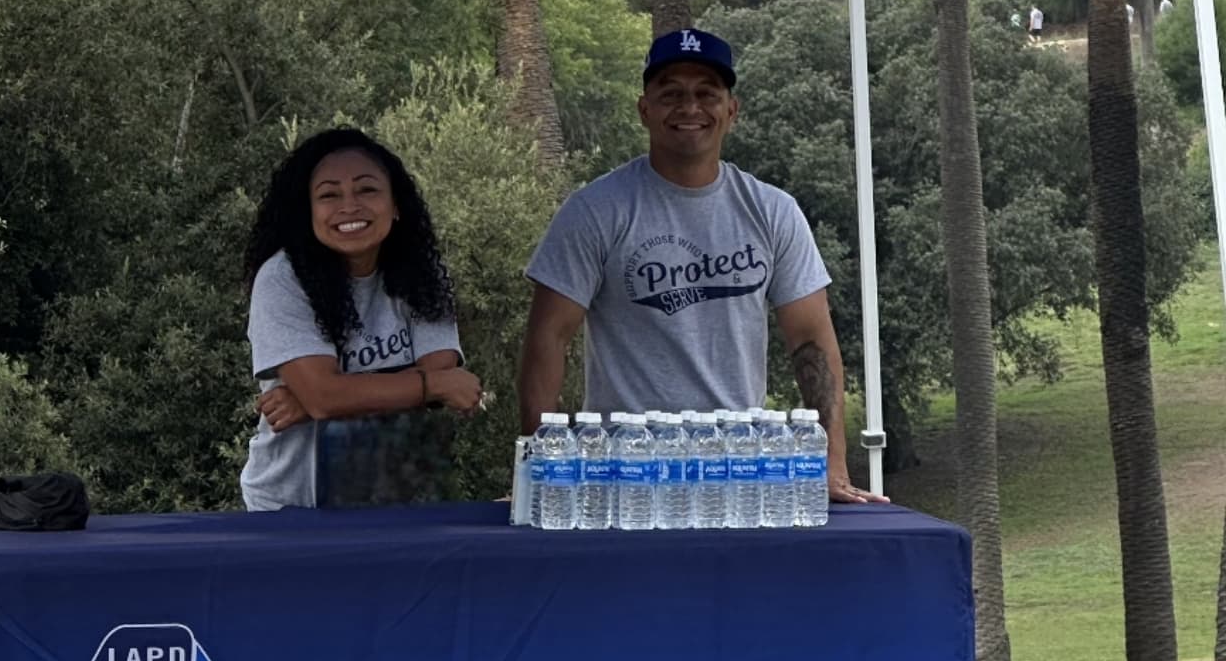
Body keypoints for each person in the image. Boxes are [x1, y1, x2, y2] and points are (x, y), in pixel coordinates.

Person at [518, 27, 886, 505]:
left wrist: (832, 464)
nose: (689, 108)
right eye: (670, 93)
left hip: (737, 475)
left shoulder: (773, 211)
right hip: (625, 478)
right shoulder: (595, 211)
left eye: (706, 93)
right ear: (644, 110)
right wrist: (538, 469)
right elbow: (548, 339)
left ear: (731, 111)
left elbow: (811, 341)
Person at [241, 127, 481, 510]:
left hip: (394, 497)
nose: (349, 206)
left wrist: (319, 401)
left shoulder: (423, 275)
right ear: (307, 212)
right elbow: (434, 383)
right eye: (328, 195)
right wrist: (324, 398)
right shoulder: (283, 279)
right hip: (291, 507)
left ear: (396, 203)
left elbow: (442, 376)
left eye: (367, 190)